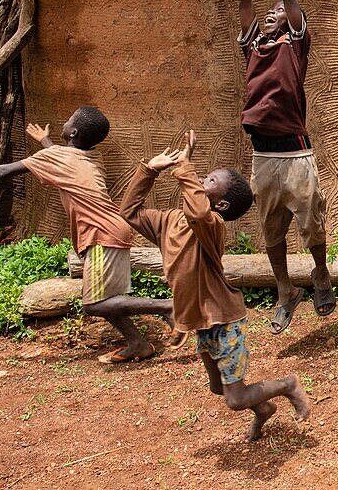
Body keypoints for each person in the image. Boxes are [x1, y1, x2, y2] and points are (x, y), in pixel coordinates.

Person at [0, 106, 178, 363]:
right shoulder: (92, 156)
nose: (66, 121)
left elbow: (5, 171)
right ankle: (138, 343)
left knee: (94, 304)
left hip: (101, 233)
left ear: (72, 131)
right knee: (106, 299)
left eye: (69, 119)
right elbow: (61, 158)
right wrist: (45, 141)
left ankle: (166, 306)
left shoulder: (57, 157)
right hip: (109, 229)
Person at [120, 131, 311, 440]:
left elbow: (197, 212)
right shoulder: (168, 221)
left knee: (234, 399)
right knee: (216, 387)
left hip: (225, 320)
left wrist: (185, 167)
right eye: (203, 178)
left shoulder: (211, 226)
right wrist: (149, 170)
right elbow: (129, 212)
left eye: (208, 181)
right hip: (202, 323)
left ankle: (287, 385)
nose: (200, 182)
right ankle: (263, 409)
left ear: (220, 204)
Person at [237, 0, 334, 333]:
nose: (276, 11)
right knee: (271, 229)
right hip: (263, 154)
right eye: (273, 10)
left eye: (282, 10)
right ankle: (284, 290)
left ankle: (321, 273)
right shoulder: (254, 45)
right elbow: (243, 1)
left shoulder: (296, 44)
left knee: (311, 222)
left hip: (296, 151)